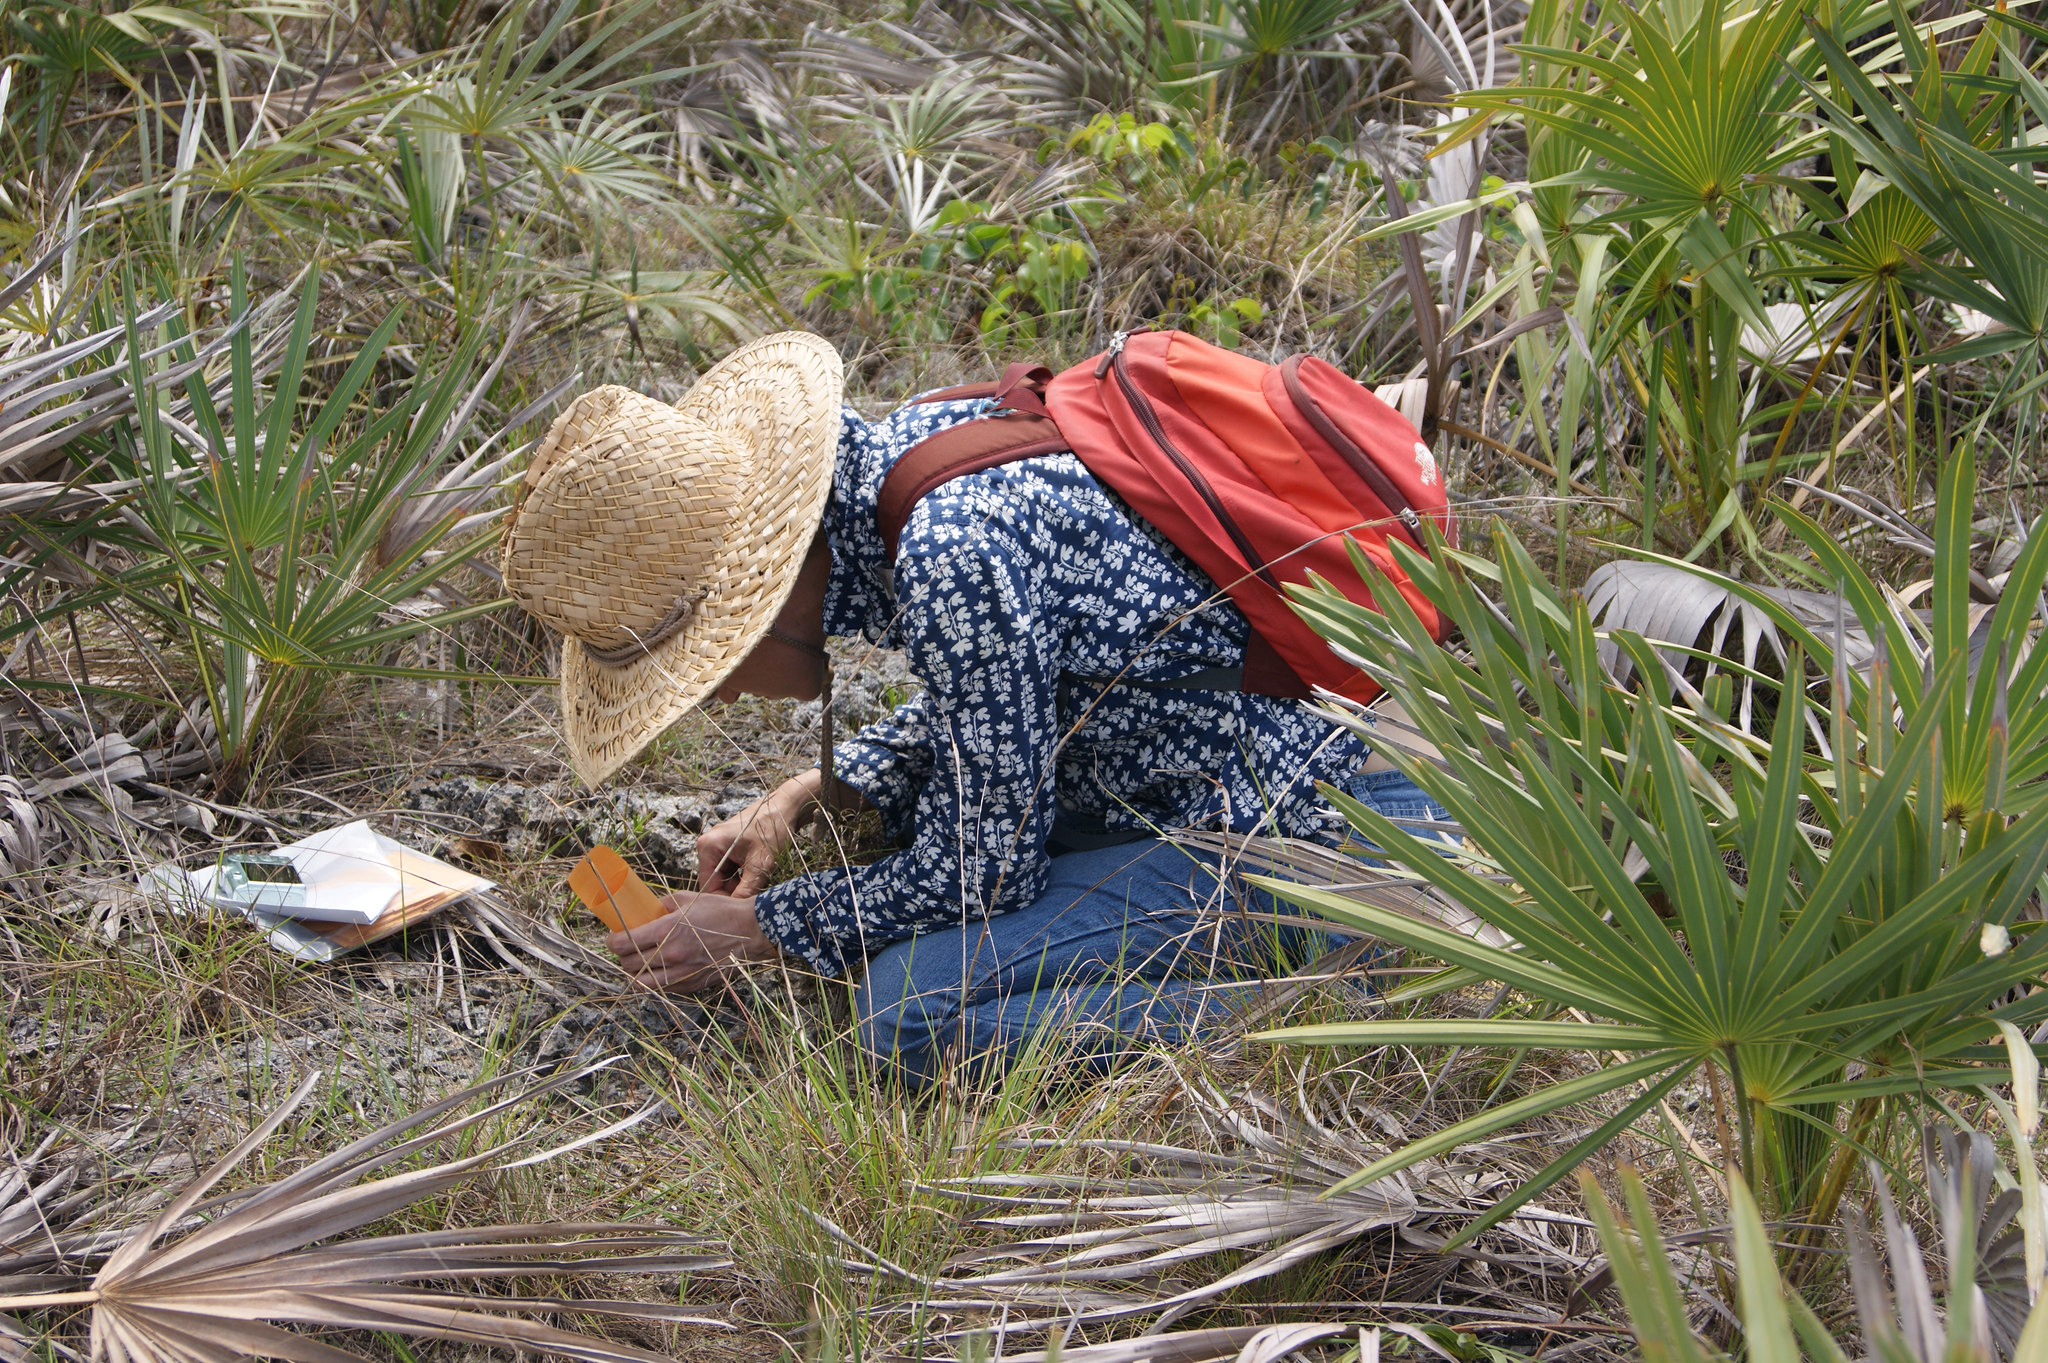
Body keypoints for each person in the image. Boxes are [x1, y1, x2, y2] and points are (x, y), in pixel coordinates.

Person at [500, 332, 1447, 1084]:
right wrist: (808, 790)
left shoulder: (951, 558)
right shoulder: (917, 456)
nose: (723, 691)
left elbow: (987, 875)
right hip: (1252, 764)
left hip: (1307, 829)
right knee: (890, 844)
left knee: (905, 1013)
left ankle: (1340, 988)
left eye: (702, 666)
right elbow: (1011, 693)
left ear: (765, 597)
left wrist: (765, 928)